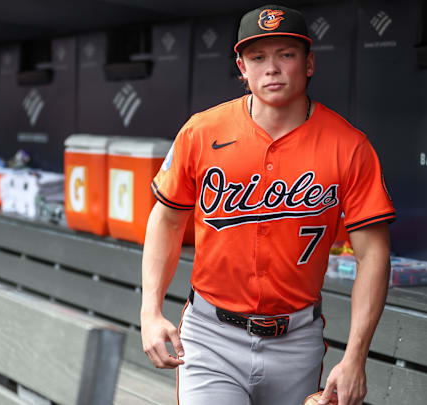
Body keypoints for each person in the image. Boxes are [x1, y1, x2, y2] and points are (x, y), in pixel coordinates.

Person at [140, 4, 395, 405]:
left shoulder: (349, 146)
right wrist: (150, 311)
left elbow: (374, 253)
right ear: (241, 67)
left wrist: (355, 357)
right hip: (211, 337)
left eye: (286, 55)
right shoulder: (202, 131)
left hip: (296, 340)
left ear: (309, 64)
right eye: (258, 57)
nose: (271, 68)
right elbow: (167, 220)